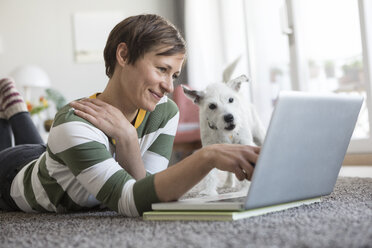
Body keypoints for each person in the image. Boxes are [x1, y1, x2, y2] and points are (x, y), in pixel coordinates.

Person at [0, 14, 260, 216]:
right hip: (11, 175)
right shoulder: (73, 125)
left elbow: (145, 190)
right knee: (29, 152)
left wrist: (127, 139)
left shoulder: (165, 112)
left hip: (49, 157)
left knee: (41, 149)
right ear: (123, 55)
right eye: (161, 69)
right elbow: (131, 201)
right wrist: (208, 155)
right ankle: (12, 111)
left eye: (174, 75)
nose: (170, 86)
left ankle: (12, 110)